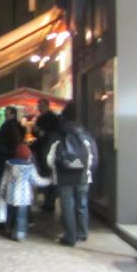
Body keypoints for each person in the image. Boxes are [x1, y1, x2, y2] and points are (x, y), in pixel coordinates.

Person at [46, 101, 98, 246]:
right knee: (82, 203)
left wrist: (54, 169)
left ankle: (70, 236)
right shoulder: (85, 134)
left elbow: (49, 156)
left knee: (67, 205)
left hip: (64, 174)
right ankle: (83, 232)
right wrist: (89, 171)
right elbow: (93, 156)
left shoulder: (58, 134)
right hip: (83, 173)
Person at [0, 143, 51, 241]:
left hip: (10, 196)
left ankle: (8, 229)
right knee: (21, 217)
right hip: (23, 197)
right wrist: (49, 180)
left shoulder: (9, 165)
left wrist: (1, 193)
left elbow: (4, 181)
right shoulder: (29, 167)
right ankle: (19, 234)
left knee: (10, 214)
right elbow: (37, 180)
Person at [31, 98, 59, 212]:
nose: (39, 108)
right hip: (43, 150)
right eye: (39, 105)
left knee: (48, 175)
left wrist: (40, 132)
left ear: (47, 106)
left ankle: (49, 201)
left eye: (41, 105)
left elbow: (43, 133)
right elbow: (36, 132)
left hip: (48, 150)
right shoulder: (41, 118)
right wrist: (37, 131)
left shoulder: (52, 118)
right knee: (45, 174)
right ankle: (48, 200)